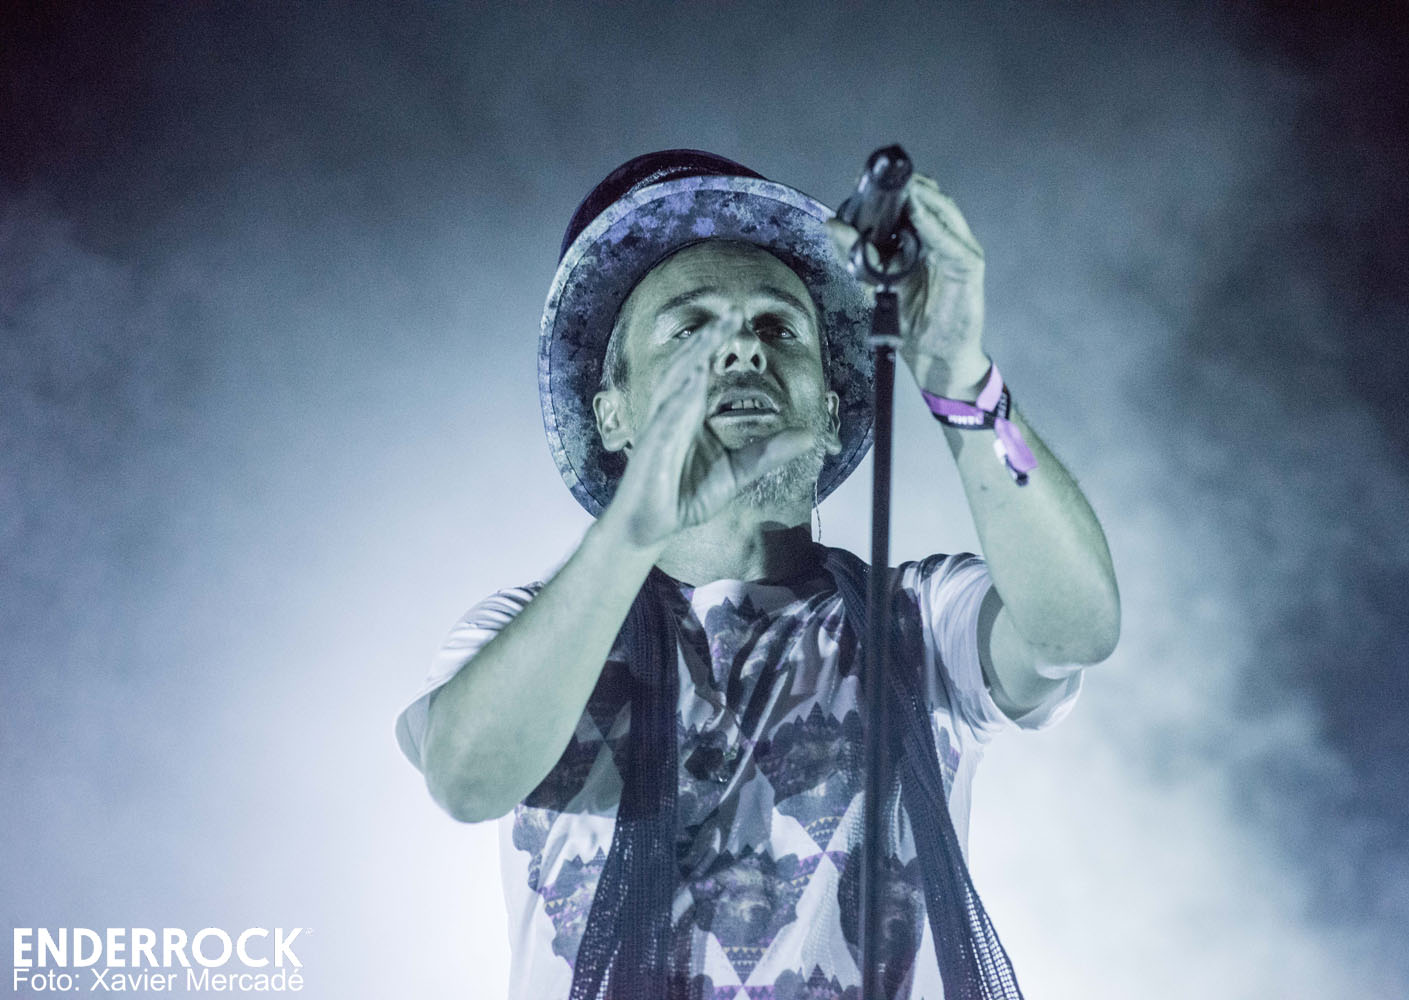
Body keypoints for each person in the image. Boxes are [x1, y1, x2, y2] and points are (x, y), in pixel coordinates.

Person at [395, 150, 1120, 1000]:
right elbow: (467, 777)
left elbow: (1074, 629)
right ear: (613, 415)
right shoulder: (525, 631)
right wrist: (633, 531)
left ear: (832, 409)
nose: (742, 348)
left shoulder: (921, 620)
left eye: (779, 328)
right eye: (690, 330)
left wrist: (962, 376)